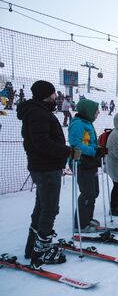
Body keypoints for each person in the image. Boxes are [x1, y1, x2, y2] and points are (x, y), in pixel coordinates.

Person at [18, 80, 71, 269]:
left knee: (42, 206)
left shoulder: (39, 111)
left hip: (45, 167)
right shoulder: (38, 113)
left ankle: (33, 245)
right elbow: (42, 143)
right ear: (45, 95)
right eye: (53, 94)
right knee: (49, 208)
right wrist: (67, 151)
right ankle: (42, 248)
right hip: (45, 168)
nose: (56, 97)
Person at [69, 98, 105, 232]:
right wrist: (94, 151)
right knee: (87, 192)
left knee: (94, 191)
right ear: (88, 111)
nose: (98, 113)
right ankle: (81, 224)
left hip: (89, 162)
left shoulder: (87, 122)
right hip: (81, 162)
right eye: (96, 111)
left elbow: (88, 142)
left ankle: (87, 218)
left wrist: (98, 148)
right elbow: (75, 144)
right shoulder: (78, 124)